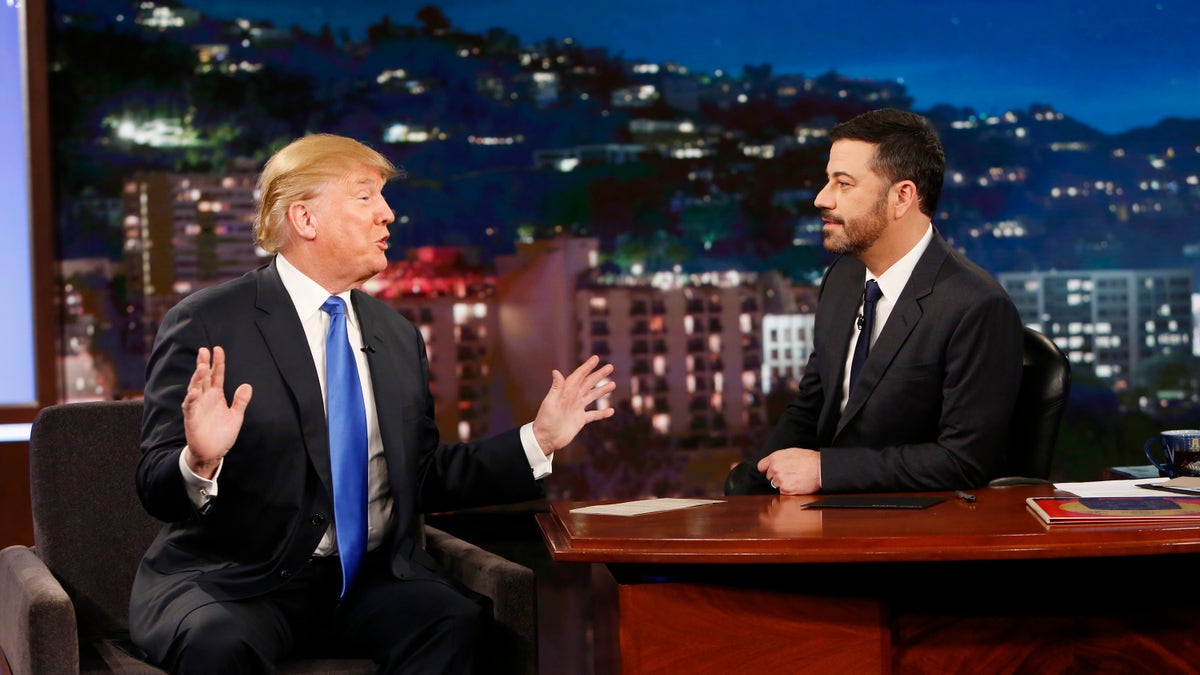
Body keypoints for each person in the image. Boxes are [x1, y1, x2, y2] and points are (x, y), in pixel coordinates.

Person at [130, 133, 617, 673]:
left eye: (383, 198)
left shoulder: (397, 335)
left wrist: (540, 439)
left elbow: (424, 474)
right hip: (240, 581)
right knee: (217, 644)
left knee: (458, 624)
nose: (387, 215)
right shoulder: (207, 321)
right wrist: (200, 461)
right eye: (365, 197)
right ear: (305, 219)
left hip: (369, 582)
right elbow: (155, 484)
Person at [732, 108, 1023, 495]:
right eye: (827, 181)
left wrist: (825, 471)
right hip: (830, 517)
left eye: (844, 184)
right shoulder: (842, 278)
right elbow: (812, 407)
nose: (822, 199)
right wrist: (749, 485)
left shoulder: (976, 305)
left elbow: (963, 461)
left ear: (902, 197)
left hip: (920, 534)